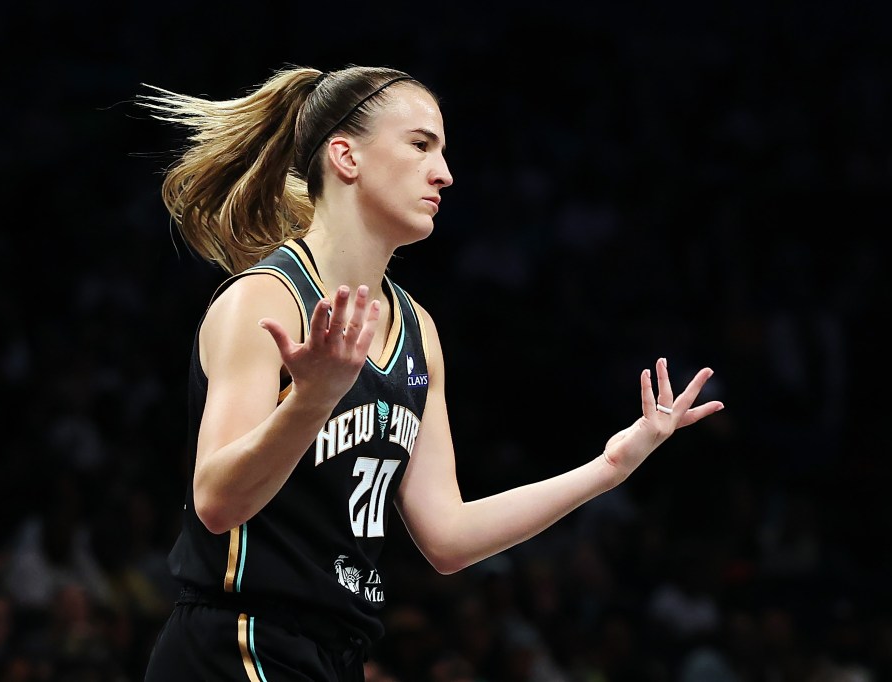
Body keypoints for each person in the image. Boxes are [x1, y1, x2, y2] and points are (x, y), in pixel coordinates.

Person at [136, 63, 725, 682]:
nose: (444, 172)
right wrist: (312, 400)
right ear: (346, 157)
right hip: (237, 644)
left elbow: (447, 538)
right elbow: (216, 502)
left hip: (337, 654)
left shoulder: (418, 331)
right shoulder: (265, 300)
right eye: (421, 145)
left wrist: (609, 468)